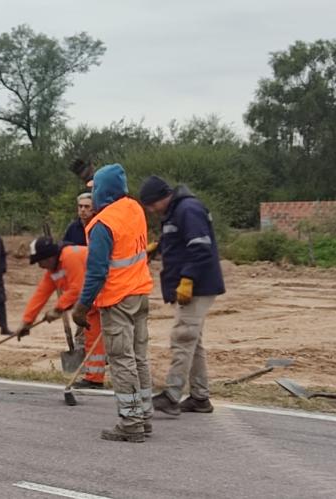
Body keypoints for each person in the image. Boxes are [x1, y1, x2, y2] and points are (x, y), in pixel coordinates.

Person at [72, 164, 154, 443]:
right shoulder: (134, 209)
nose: (91, 197)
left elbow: (96, 271)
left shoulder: (101, 224)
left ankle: (131, 423)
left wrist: (82, 306)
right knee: (140, 358)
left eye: (94, 190)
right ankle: (144, 417)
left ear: (104, 192)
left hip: (118, 299)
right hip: (140, 293)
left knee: (121, 361)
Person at [139, 175, 226, 415]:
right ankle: (199, 397)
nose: (151, 210)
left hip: (197, 286)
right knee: (193, 342)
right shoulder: (177, 210)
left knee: (182, 337)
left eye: (151, 205)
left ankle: (171, 395)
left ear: (160, 198)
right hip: (193, 284)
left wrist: (188, 279)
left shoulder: (188, 209)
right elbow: (179, 240)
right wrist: (159, 247)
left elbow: (200, 247)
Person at [20, 237, 106, 389]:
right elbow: (41, 294)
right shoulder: (54, 269)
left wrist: (57, 309)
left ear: (49, 257)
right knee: (92, 339)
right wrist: (27, 321)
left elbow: (78, 287)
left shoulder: (70, 256)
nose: (40, 266)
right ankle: (94, 379)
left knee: (119, 339)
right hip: (92, 302)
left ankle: (131, 380)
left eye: (40, 261)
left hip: (110, 293)